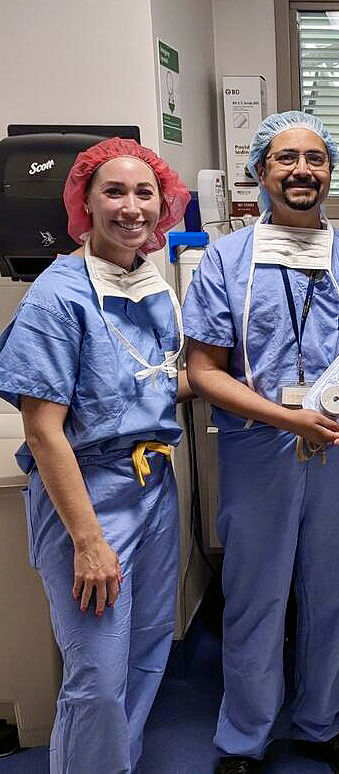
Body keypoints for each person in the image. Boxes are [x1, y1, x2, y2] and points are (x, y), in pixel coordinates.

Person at [183, 111, 339, 774]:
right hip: (259, 448)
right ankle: (245, 736)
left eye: (315, 158)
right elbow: (202, 371)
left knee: (331, 589)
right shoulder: (226, 259)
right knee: (257, 594)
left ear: (330, 170)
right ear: (260, 171)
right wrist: (287, 421)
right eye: (286, 158)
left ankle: (322, 720)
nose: (302, 169)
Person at [0, 138, 192, 773]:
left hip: (154, 488)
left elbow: (157, 379)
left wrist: (259, 394)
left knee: (144, 654)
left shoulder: (148, 282)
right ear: (83, 203)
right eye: (114, 191)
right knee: (98, 675)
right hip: (90, 498)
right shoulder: (59, 297)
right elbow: (44, 431)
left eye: (145, 193)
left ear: (163, 204)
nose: (132, 207)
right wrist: (87, 540)